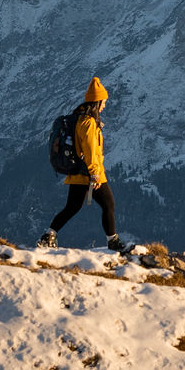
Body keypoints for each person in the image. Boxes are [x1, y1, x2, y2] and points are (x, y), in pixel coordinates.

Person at [38, 77, 127, 253]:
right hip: (89, 173)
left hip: (78, 172)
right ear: (97, 101)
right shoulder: (88, 122)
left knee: (72, 207)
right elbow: (90, 150)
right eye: (104, 102)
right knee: (109, 204)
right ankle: (113, 241)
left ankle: (49, 235)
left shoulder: (80, 118)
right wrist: (94, 173)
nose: (105, 105)